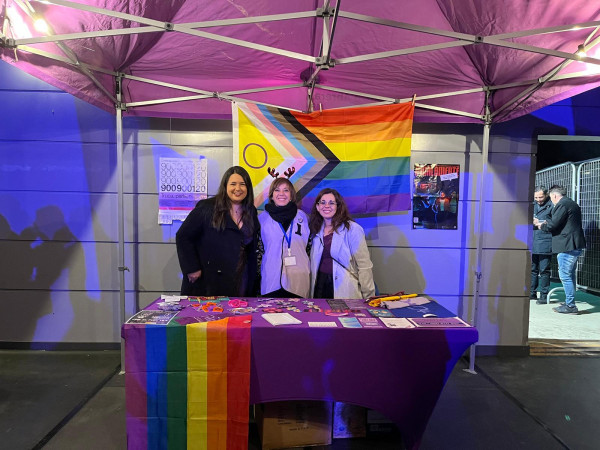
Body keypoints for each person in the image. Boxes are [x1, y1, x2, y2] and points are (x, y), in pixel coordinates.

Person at [176, 166, 260, 296]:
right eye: (233, 184)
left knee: (238, 313)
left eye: (242, 184)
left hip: (241, 277)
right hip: (210, 279)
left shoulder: (251, 211)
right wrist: (192, 268)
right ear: (225, 186)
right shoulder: (207, 207)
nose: (238, 189)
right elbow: (183, 236)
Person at [308, 188, 375, 299]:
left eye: (331, 203)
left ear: (338, 206)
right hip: (319, 288)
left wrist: (369, 296)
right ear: (317, 207)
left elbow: (364, 267)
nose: (326, 206)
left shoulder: (353, 229)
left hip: (345, 290)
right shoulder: (314, 230)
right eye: (322, 202)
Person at [534, 185, 586, 315]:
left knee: (565, 276)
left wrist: (540, 225)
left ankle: (570, 306)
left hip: (567, 246)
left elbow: (553, 224)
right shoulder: (572, 203)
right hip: (574, 244)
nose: (551, 201)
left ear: (555, 196)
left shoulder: (562, 205)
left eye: (551, 198)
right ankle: (570, 302)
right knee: (570, 275)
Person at [259, 175, 310, 298]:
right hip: (271, 279)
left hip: (298, 279)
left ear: (292, 195)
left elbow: (310, 247)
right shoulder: (262, 218)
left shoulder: (303, 217)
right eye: (277, 190)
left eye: (286, 190)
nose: (281, 193)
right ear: (271, 195)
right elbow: (258, 250)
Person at [530, 186, 553, 304]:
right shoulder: (532, 204)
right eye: (536, 197)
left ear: (546, 195)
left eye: (541, 197)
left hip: (545, 241)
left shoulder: (552, 206)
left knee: (544, 270)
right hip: (533, 241)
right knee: (532, 269)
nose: (538, 199)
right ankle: (532, 293)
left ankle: (544, 295)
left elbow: (555, 222)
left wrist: (538, 222)